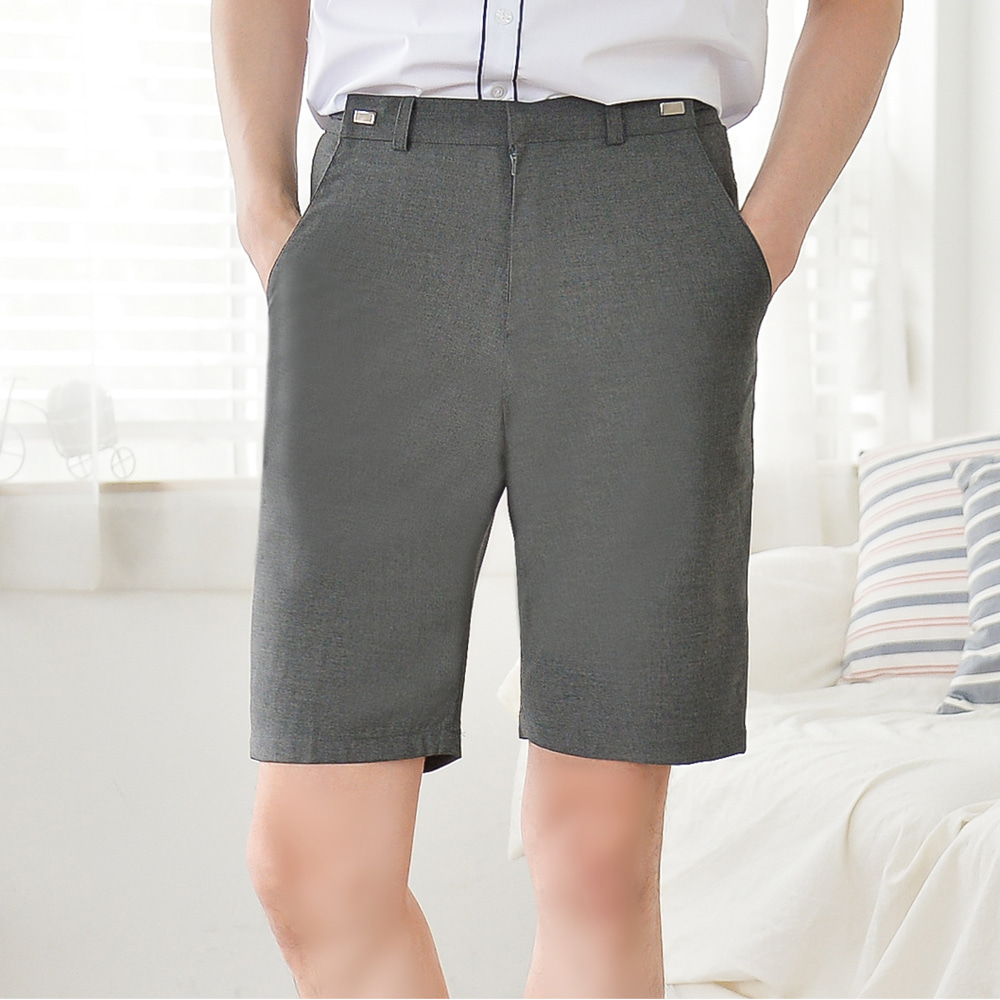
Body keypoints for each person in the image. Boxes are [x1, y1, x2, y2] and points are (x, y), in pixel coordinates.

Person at [210, 1, 902, 996]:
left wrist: (764, 242)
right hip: (376, 207)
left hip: (646, 209)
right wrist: (261, 209)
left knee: (596, 858)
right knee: (309, 865)